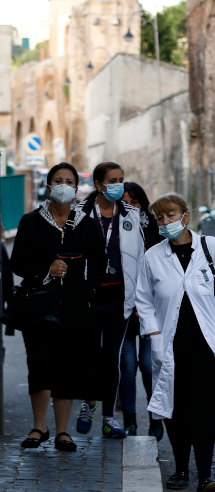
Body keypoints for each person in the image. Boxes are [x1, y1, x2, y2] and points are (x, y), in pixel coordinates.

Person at [135, 193, 215, 492]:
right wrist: (154, 335)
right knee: (175, 410)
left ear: (185, 216)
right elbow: (143, 300)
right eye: (160, 218)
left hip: (206, 346)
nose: (165, 222)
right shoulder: (153, 256)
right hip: (170, 346)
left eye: (170, 215)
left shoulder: (209, 247)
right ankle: (181, 470)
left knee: (204, 408)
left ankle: (205, 476)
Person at [11, 162, 107, 450]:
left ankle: (63, 432)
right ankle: (39, 427)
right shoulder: (31, 221)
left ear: (77, 188)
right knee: (39, 365)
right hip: (39, 305)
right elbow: (18, 261)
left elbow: (100, 262)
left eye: (69, 181)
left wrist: (89, 290)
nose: (64, 185)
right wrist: (46, 268)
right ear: (49, 186)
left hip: (76, 307)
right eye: (58, 180)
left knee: (67, 367)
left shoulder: (87, 224)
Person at [75, 162, 145, 439]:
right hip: (89, 297)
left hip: (120, 297)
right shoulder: (79, 213)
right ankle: (89, 403)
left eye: (121, 179)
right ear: (98, 184)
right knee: (90, 356)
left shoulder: (131, 214)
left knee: (112, 358)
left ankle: (108, 418)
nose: (118, 185)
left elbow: (139, 258)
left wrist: (139, 299)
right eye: (112, 180)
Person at [118, 182, 162, 437]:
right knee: (127, 366)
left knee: (148, 365)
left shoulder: (155, 230)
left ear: (143, 203)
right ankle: (130, 421)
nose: (131, 207)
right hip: (123, 310)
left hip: (149, 311)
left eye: (135, 202)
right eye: (125, 202)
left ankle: (155, 419)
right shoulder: (113, 229)